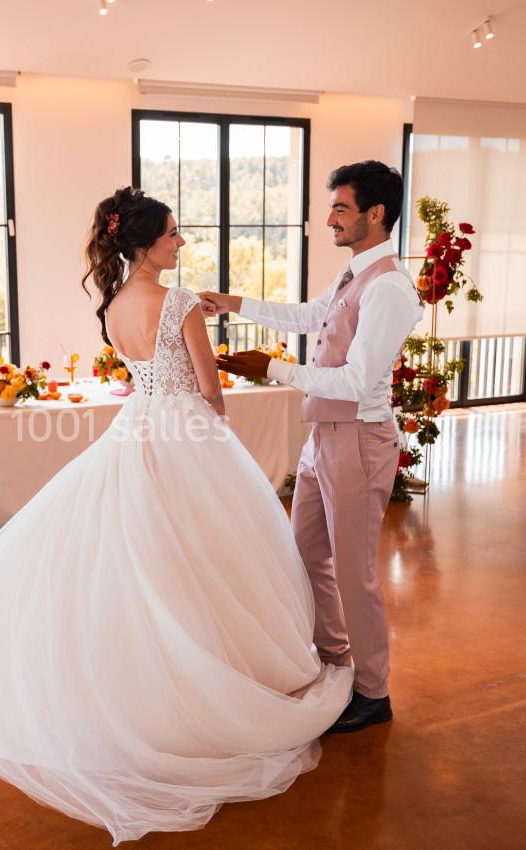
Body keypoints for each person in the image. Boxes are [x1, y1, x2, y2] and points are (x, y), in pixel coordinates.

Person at [0, 186, 352, 845]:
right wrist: (212, 415)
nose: (182, 243)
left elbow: (145, 376)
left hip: (137, 429)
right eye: (173, 235)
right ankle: (226, 676)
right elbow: (210, 392)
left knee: (140, 556)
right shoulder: (181, 303)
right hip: (189, 433)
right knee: (208, 554)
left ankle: (152, 673)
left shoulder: (111, 306)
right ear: (143, 243)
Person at [206, 160, 421, 733]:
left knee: (355, 574)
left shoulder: (391, 289)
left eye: (340, 208)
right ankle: (334, 663)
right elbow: (308, 316)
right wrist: (234, 304)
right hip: (321, 438)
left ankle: (373, 694)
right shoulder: (353, 275)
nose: (329, 219)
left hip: (357, 440)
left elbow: (354, 382)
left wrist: (272, 368)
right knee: (306, 555)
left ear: (376, 214)